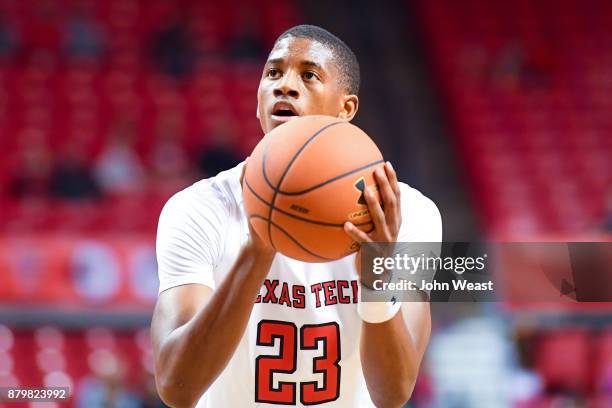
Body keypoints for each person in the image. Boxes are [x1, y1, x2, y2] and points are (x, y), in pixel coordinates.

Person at [152, 25, 442, 407]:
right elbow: (175, 386)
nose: (284, 86)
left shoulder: (413, 214)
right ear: (257, 103)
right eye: (273, 72)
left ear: (346, 108)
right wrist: (257, 252)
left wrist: (377, 278)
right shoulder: (197, 209)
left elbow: (394, 394)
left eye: (309, 75)